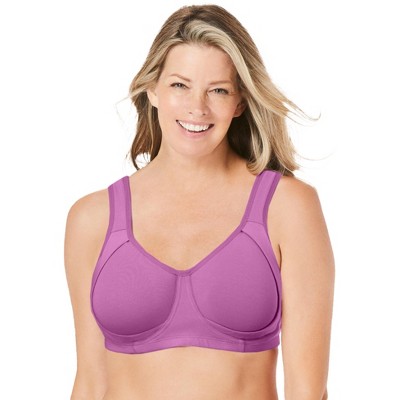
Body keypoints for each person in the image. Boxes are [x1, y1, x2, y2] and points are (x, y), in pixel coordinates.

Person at [64, 4, 335, 400]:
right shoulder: (92, 218)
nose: (197, 107)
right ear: (152, 89)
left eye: (218, 90)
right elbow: (90, 383)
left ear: (240, 102)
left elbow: (307, 392)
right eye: (180, 85)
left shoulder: (287, 207)